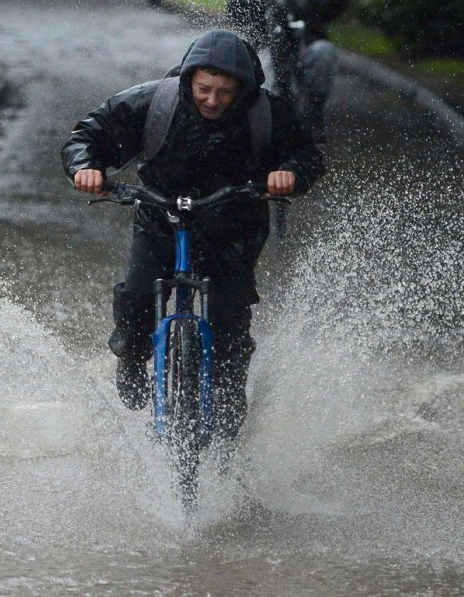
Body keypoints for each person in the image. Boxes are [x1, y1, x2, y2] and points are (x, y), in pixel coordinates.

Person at [62, 29, 324, 441]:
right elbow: (87, 136)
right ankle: (131, 356)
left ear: (243, 89)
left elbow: (308, 153)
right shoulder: (153, 102)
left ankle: (229, 392)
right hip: (160, 218)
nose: (213, 100)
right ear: (189, 80)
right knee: (136, 296)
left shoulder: (268, 113)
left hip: (233, 226)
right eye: (204, 89)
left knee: (230, 318)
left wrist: (290, 174)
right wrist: (86, 168)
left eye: (224, 92)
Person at [226, 0, 350, 140]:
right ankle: (268, 114)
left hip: (306, 48)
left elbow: (333, 9)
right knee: (264, 66)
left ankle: (311, 115)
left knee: (325, 52)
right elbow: (234, 13)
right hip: (268, 52)